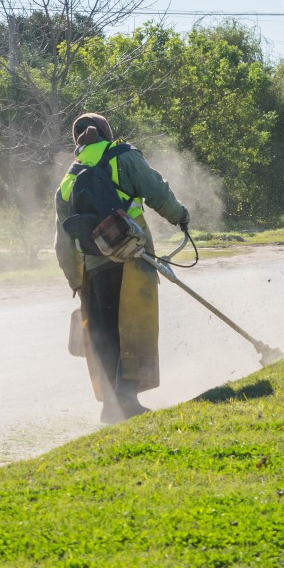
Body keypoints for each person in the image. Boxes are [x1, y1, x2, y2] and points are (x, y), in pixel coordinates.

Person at [54, 112, 191, 423]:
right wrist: (180, 216)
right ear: (106, 132)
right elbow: (157, 191)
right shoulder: (122, 157)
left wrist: (77, 280)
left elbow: (62, 241)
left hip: (94, 268)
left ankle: (110, 405)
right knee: (133, 327)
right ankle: (127, 401)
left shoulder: (68, 180)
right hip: (133, 256)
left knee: (103, 332)